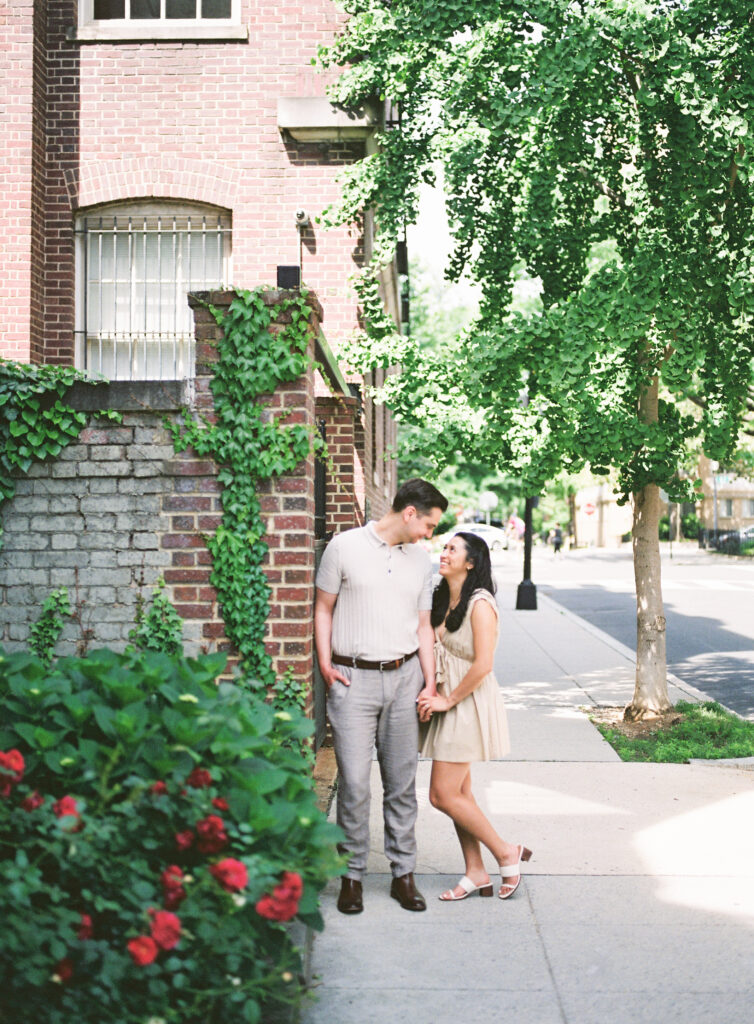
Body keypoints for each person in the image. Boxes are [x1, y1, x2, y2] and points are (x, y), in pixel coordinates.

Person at [314, 478, 448, 915]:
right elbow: (323, 608)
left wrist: (429, 683)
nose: (430, 534)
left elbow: (424, 626)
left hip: (405, 677)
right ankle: (351, 876)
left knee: (401, 784)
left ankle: (402, 874)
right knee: (353, 783)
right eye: (429, 524)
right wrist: (324, 663)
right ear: (409, 513)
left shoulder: (420, 561)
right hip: (353, 679)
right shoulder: (344, 547)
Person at [418, 532, 532, 901]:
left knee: (441, 794)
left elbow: (483, 664)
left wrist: (447, 699)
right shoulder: (443, 595)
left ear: (471, 562)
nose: (444, 553)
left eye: (453, 549)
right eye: (445, 547)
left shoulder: (480, 604)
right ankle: (476, 872)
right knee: (460, 793)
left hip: (466, 702)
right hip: (448, 700)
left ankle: (505, 852)